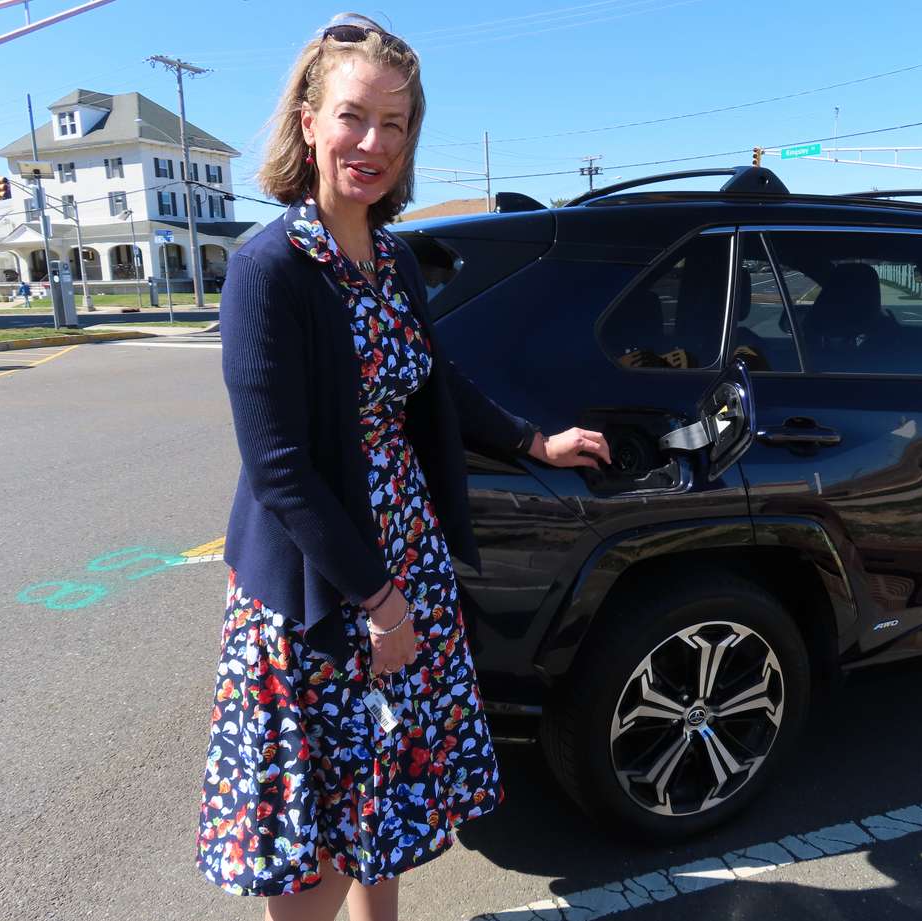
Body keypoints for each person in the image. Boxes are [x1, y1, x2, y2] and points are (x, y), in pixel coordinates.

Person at [196, 13, 610, 921]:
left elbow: (434, 379)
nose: (373, 142)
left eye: (396, 124)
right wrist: (378, 600)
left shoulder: (390, 257)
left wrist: (535, 441)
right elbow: (277, 466)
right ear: (308, 121)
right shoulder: (270, 269)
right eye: (353, 116)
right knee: (316, 833)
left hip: (402, 559)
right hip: (323, 580)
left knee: (380, 788)